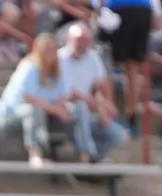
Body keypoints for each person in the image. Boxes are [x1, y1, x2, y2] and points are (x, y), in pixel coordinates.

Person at [0, 35, 69, 168]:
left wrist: (61, 108)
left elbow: (62, 97)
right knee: (34, 109)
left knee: (76, 111)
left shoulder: (57, 71)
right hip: (10, 117)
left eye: (53, 50)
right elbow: (29, 98)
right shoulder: (29, 66)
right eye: (46, 49)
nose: (50, 53)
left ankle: (87, 157)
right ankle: (35, 156)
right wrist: (55, 109)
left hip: (44, 117)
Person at [59, 23, 128, 163]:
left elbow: (101, 85)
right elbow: (65, 94)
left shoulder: (92, 57)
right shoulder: (58, 59)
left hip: (88, 110)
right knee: (80, 108)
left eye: (86, 40)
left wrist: (104, 107)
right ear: (69, 39)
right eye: (79, 39)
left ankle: (94, 161)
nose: (83, 44)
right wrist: (89, 99)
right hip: (64, 113)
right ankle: (88, 156)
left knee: (119, 136)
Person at [103, 0, 153, 134]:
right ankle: (132, 116)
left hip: (120, 9)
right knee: (133, 66)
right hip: (143, 10)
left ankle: (112, 114)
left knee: (111, 64)